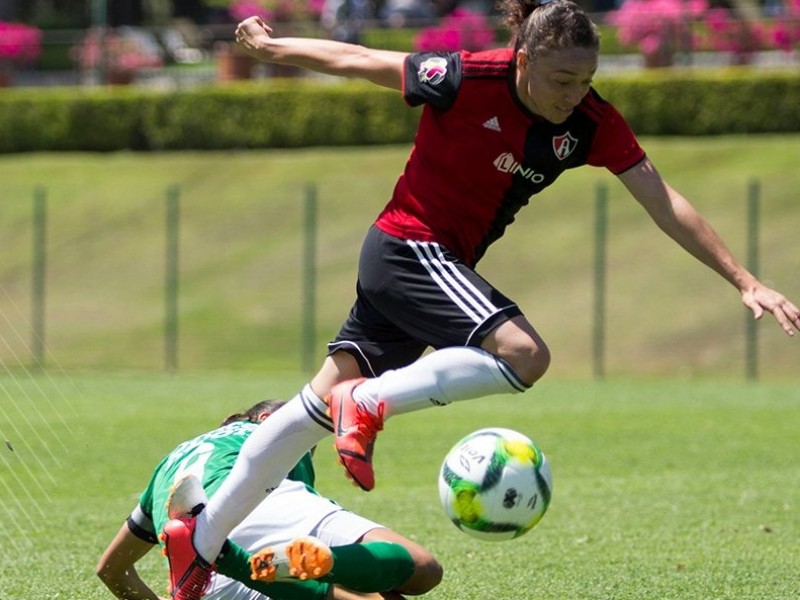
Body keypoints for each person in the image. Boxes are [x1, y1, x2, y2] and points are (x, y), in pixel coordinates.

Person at [163, 0, 800, 598]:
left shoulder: (590, 123)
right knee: (524, 354)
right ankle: (369, 402)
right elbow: (361, 61)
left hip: (425, 265)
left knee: (306, 416)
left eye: (584, 78)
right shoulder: (466, 76)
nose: (572, 93)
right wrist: (275, 52)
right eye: (559, 78)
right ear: (522, 57)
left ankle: (198, 542)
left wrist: (745, 279)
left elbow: (663, 199)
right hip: (408, 247)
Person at [96, 400, 442, 600]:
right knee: (424, 570)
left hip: (209, 579)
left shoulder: (169, 465)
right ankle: (246, 564)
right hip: (260, 504)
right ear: (266, 419)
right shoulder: (275, 435)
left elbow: (110, 570)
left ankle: (232, 560)